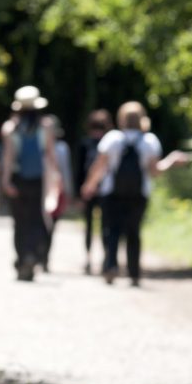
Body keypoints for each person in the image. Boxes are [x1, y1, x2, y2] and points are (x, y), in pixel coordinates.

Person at [81, 101, 188, 286]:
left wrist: (89, 185)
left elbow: (99, 167)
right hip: (139, 194)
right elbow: (155, 171)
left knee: (111, 230)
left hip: (111, 193)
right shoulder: (150, 141)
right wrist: (171, 160)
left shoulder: (112, 138)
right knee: (134, 232)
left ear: (121, 119)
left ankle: (111, 265)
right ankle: (134, 273)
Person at [1, 86, 61, 281]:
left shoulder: (10, 128)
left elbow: (8, 159)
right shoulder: (47, 126)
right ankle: (33, 256)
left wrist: (6, 181)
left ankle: (22, 258)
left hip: (18, 179)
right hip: (38, 180)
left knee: (20, 222)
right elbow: (51, 156)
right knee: (36, 219)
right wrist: (55, 180)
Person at [75, 109, 114, 274]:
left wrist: (79, 193)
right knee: (107, 226)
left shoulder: (85, 143)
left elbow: (79, 170)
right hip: (106, 190)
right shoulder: (110, 142)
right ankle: (107, 260)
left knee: (89, 226)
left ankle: (88, 259)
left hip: (88, 190)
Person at [41, 115, 74, 273]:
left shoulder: (41, 146)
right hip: (53, 190)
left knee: (45, 226)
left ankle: (42, 257)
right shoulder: (61, 148)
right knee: (49, 227)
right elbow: (65, 172)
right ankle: (43, 258)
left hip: (47, 190)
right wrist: (68, 191)